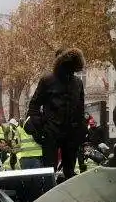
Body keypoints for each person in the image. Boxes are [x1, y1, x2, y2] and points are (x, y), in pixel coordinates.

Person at [26, 48, 86, 180]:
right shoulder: (47, 80)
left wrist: (81, 130)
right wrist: (40, 126)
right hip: (51, 131)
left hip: (70, 133)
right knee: (49, 170)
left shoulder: (78, 83)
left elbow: (80, 109)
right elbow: (34, 105)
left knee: (70, 170)